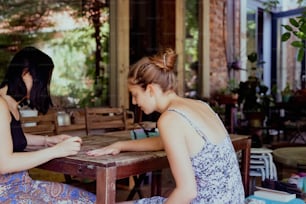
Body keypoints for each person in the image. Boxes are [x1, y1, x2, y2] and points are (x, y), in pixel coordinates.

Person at [87, 48, 245, 203]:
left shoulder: (170, 119)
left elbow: (187, 192)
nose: (134, 102)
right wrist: (120, 145)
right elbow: (164, 142)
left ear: (150, 90)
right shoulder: (201, 105)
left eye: (135, 95)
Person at [0, 46, 96, 203]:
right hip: (6, 193)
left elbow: (10, 139)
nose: (44, 87)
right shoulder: (0, 105)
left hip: (21, 185)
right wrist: (56, 151)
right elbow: (4, 163)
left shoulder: (10, 105)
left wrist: (48, 141)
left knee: (88, 199)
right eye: (42, 80)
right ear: (25, 73)